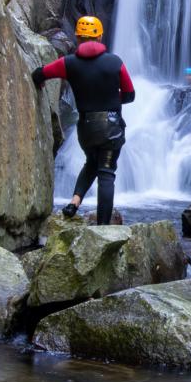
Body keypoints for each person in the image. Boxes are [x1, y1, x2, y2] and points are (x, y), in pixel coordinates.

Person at [33, 16, 136, 225]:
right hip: (111, 127)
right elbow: (129, 94)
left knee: (92, 162)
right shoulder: (115, 62)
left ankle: (74, 202)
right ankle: (104, 228)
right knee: (106, 172)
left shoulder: (68, 64)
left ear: (78, 38)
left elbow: (39, 74)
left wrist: (40, 83)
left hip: (86, 129)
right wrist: (111, 98)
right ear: (99, 36)